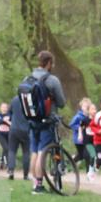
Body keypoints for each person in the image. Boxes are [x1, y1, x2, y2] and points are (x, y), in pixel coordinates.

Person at [23, 51, 66, 194]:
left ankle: (35, 184)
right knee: (43, 152)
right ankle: (40, 185)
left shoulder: (28, 78)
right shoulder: (52, 80)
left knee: (34, 152)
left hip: (32, 121)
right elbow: (61, 102)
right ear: (48, 63)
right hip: (47, 121)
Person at [69, 97, 94, 180]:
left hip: (87, 140)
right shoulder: (78, 116)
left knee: (86, 155)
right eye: (84, 106)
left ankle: (88, 173)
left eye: (87, 106)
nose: (86, 108)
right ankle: (70, 162)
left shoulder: (90, 117)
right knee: (82, 156)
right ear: (81, 107)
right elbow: (71, 125)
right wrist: (79, 127)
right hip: (78, 140)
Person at [6, 95, 30, 180]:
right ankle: (26, 175)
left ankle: (11, 171)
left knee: (12, 150)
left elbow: (9, 113)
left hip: (14, 129)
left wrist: (12, 119)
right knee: (26, 152)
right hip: (26, 129)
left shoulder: (15, 99)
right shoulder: (30, 99)